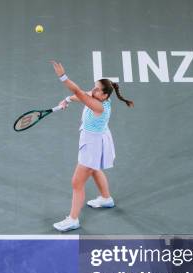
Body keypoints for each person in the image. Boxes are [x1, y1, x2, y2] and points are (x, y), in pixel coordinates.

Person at [50, 60, 134, 232]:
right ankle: (106, 198)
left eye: (97, 89)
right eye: (94, 87)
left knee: (76, 183)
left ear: (105, 96)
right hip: (98, 138)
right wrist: (66, 100)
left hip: (93, 144)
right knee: (95, 169)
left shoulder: (98, 105)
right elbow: (81, 95)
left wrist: (62, 77)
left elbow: (78, 92)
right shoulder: (98, 96)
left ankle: (73, 219)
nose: (93, 90)